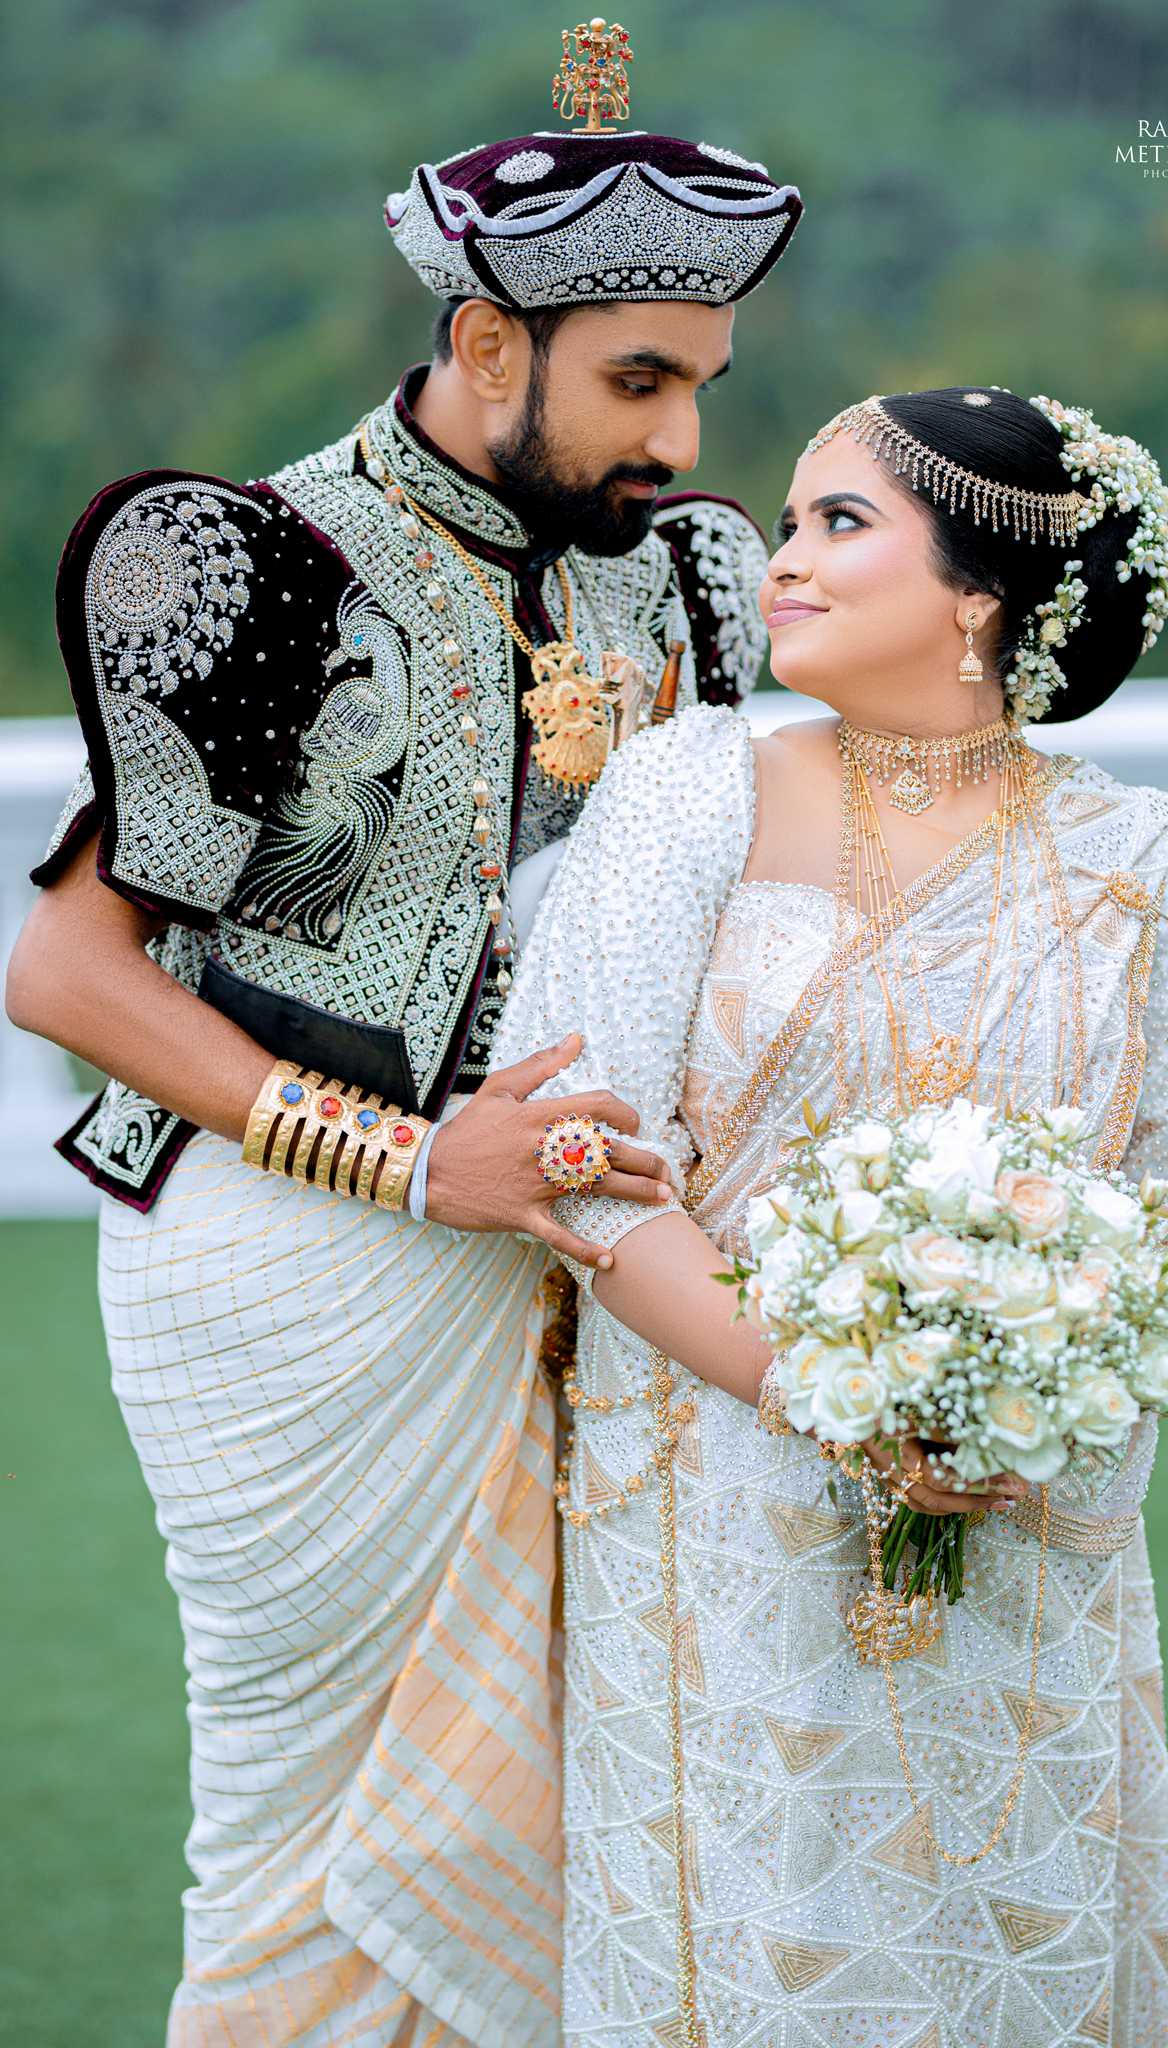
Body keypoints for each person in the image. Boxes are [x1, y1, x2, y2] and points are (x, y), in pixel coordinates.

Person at [3, 26, 804, 2044]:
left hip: (588, 1260)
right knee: (295, 1835)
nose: (677, 441)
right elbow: (69, 974)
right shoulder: (257, 563)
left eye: (701, 388)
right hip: (282, 1261)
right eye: (638, 383)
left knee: (575, 1800)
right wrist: (415, 1160)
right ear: (485, 340)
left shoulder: (688, 579)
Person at [490, 385, 1168, 2046]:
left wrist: (1016, 1381)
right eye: (791, 523)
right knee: (745, 1944)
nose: (780, 562)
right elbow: (578, 1156)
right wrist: (824, 1390)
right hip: (712, 1495)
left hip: (1016, 1502)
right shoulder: (683, 794)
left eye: (839, 524)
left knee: (998, 1939)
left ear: (980, 596)